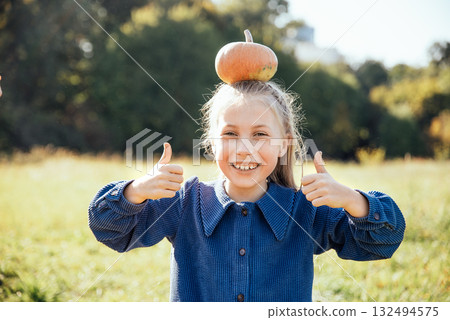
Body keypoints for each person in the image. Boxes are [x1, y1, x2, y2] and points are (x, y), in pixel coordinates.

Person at [88, 80, 405, 302]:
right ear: (211, 143)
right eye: (230, 134)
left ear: (284, 146)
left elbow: (382, 241)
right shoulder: (184, 203)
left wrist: (352, 200)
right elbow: (110, 229)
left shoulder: (306, 210)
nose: (244, 149)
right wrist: (136, 191)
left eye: (260, 134)